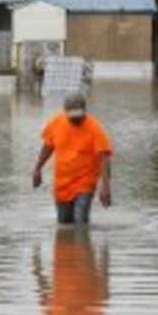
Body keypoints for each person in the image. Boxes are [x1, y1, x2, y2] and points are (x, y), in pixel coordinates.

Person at [33, 92, 113, 225]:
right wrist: (37, 168)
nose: (75, 120)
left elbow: (104, 158)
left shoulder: (94, 128)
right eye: (72, 117)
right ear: (65, 112)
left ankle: (83, 244)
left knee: (80, 220)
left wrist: (105, 187)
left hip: (84, 182)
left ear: (85, 111)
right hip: (62, 184)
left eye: (78, 117)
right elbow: (48, 146)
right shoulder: (56, 123)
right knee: (64, 223)